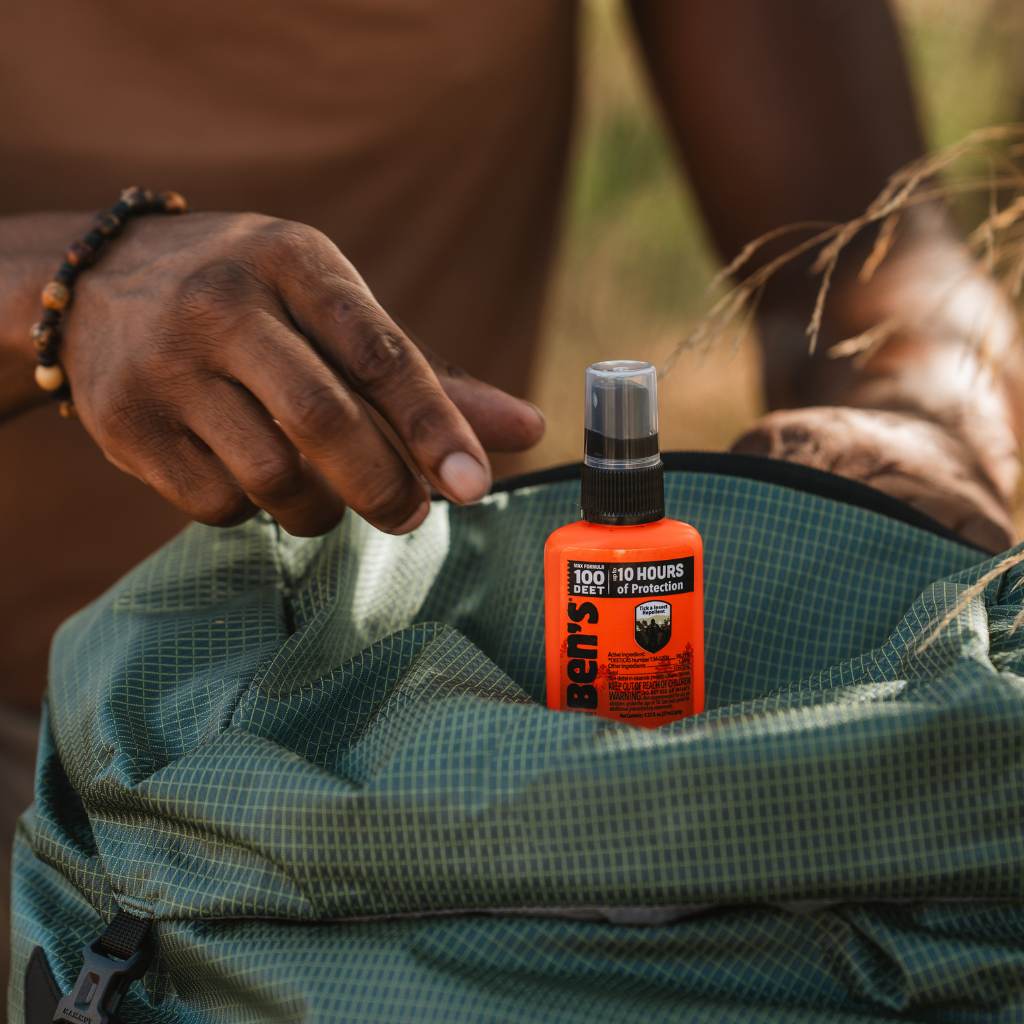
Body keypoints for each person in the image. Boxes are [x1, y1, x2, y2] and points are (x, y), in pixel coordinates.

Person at [0, 0, 1020, 993]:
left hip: (400, 776)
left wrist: (918, 421)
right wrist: (70, 286)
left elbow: (876, 265)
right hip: (39, 749)